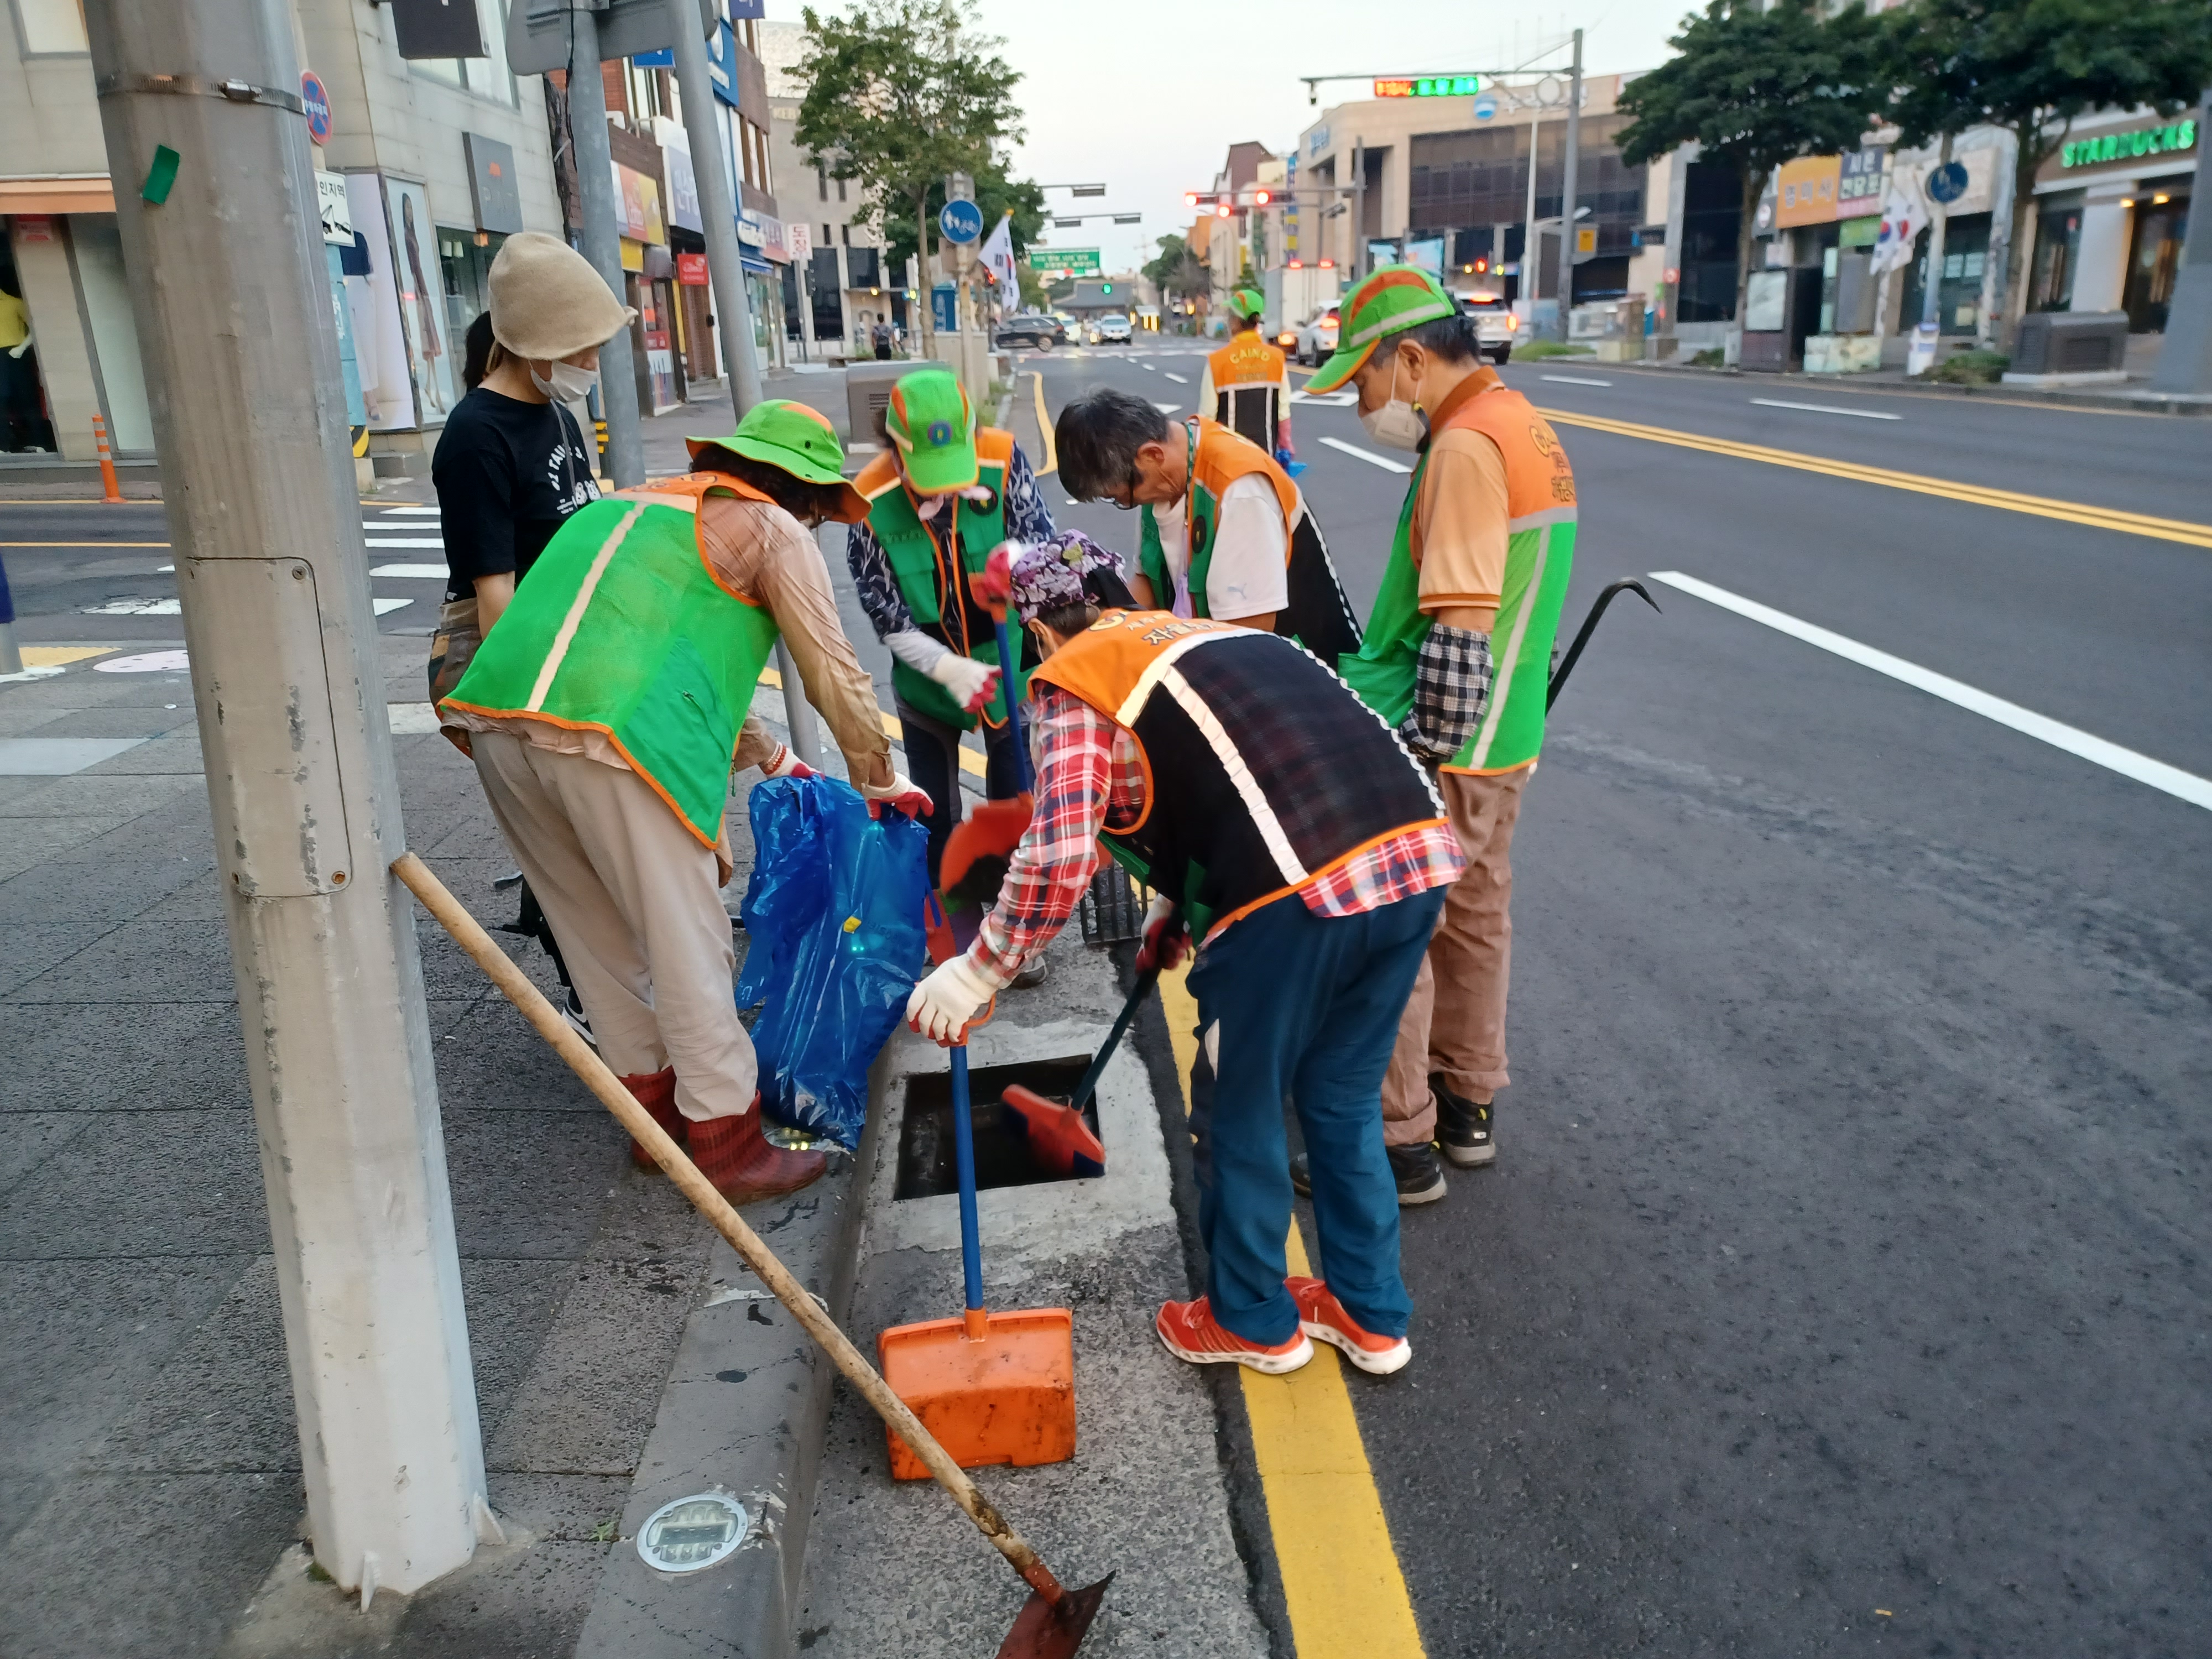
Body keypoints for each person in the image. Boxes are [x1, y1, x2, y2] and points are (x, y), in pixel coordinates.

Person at [905, 536, 1466, 1377]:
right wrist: (1176, 903)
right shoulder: (1217, 639)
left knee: (1234, 1108)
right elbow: (1242, 775)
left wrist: (980, 967)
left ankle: (1252, 1321)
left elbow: (1059, 852)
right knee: (1342, 1098)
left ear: (1039, 635)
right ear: (1115, 596)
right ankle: (1370, 1314)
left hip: (1293, 900)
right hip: (1417, 861)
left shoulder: (1078, 676)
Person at [441, 398, 931, 1206]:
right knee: (687, 938)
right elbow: (834, 673)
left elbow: (659, 653)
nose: (813, 524)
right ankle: (726, 1142)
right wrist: (881, 779)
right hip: (612, 742)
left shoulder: (626, 509)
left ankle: (656, 1125)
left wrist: (773, 757)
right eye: (818, 507)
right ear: (799, 490)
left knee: (594, 939)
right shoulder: (771, 529)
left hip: (498, 728)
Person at [1300, 264, 1577, 1201]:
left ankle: (1400, 1139)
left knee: (1398, 933)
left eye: (1366, 382)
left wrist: (1415, 751)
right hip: (1511, 737)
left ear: (1411, 360)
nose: (1363, 405)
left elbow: (1460, 625)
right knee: (1477, 922)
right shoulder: (1526, 424)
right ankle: (1468, 1107)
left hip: (1453, 743)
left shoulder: (1463, 447)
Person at [845, 366, 1055, 886]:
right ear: (895, 450)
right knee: (936, 813)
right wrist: (946, 668)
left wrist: (1016, 556)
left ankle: (1012, 932)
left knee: (1015, 802)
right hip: (925, 682)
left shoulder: (1003, 459)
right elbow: (886, 614)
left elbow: (1041, 537)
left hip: (1008, 669)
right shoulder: (867, 502)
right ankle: (951, 923)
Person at [430, 234, 609, 721]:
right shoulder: (477, 436)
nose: (592, 362)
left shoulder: (555, 413)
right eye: (579, 346)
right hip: (529, 679)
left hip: (571, 656)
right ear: (534, 342)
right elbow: (495, 601)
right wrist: (548, 708)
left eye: (597, 345)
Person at [1055, 388, 1359, 662]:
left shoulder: (1240, 489)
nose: (1128, 505)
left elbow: (1249, 634)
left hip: (1294, 675)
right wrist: (1100, 628)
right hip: (1217, 655)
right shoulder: (1162, 476)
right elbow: (1147, 582)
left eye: (1122, 497)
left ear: (1152, 455)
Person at [1197, 288, 1293, 460]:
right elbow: (1283, 412)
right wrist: (1286, 447)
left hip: (1229, 462)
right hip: (1266, 459)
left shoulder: (1217, 361)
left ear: (1235, 322)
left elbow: (1207, 418)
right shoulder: (1277, 358)